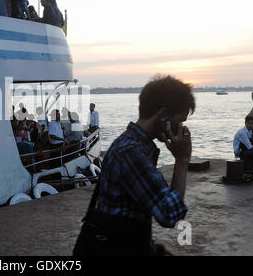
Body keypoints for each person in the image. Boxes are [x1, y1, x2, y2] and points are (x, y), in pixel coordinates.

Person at [77, 75, 195, 256]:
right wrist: (182, 160)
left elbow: (130, 213)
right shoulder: (132, 153)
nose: (181, 128)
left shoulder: (127, 143)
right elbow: (170, 214)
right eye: (180, 121)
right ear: (163, 115)